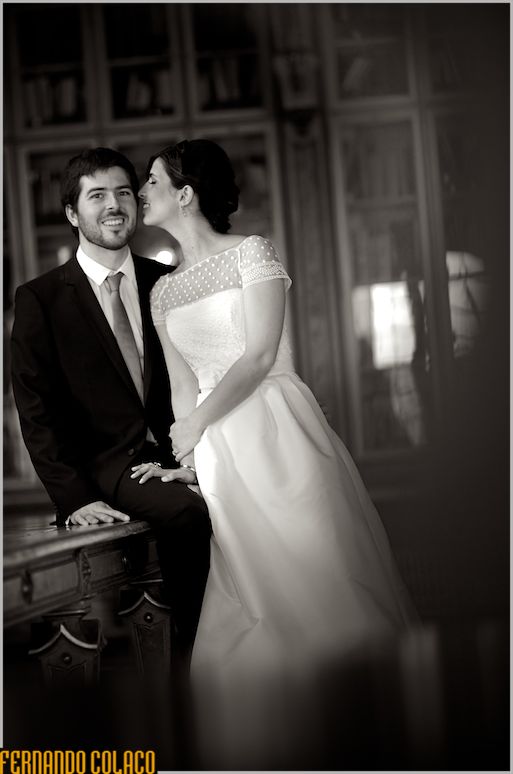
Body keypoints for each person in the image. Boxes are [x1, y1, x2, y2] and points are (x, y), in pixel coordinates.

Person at [133, 138, 420, 767]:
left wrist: (201, 421)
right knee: (249, 579)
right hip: (217, 451)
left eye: (152, 180)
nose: (142, 191)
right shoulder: (164, 291)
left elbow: (261, 355)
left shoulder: (251, 253)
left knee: (318, 563)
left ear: (185, 193)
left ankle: (362, 719)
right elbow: (183, 385)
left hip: (274, 428)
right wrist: (189, 449)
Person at [10, 147, 211, 659]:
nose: (114, 205)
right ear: (73, 213)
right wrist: (73, 499)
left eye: (124, 191)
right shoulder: (41, 299)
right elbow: (36, 410)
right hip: (107, 468)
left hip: (181, 456)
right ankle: (197, 658)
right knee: (188, 517)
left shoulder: (167, 280)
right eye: (97, 195)